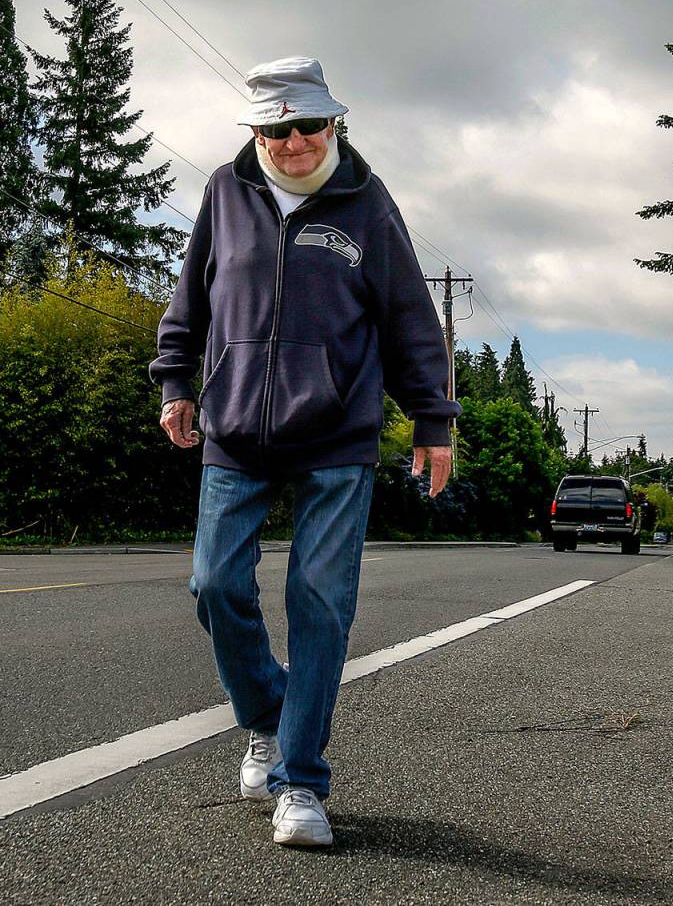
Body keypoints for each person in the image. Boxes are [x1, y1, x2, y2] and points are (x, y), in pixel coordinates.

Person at [149, 57, 459, 847]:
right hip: (236, 429)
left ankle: (300, 782)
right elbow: (191, 300)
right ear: (255, 131)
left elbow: (410, 320)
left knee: (319, 602)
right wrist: (175, 384)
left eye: (308, 126)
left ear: (333, 124)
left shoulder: (366, 201)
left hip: (338, 433)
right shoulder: (226, 192)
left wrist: (434, 421)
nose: (292, 143)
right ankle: (266, 718)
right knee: (215, 584)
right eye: (275, 129)